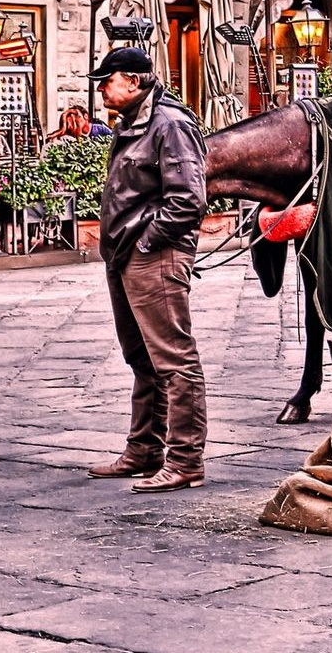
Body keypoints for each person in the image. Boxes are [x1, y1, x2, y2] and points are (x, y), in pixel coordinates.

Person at [85, 47, 210, 492]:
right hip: (125, 255)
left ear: (134, 82)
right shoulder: (133, 123)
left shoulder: (169, 124)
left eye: (108, 79)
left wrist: (146, 241)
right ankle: (144, 449)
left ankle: (185, 460)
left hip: (153, 255)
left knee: (174, 359)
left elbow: (188, 199)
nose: (101, 87)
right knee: (142, 359)